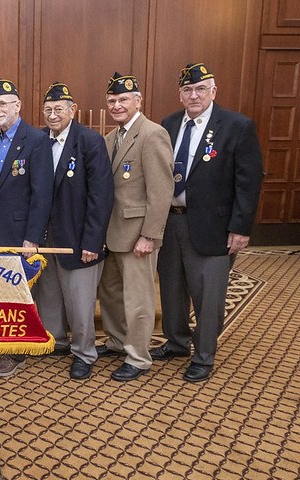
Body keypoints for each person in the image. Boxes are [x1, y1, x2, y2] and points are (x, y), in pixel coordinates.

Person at [151, 63, 263, 383]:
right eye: (187, 90)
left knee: (208, 295)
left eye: (201, 89)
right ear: (180, 95)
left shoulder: (236, 126)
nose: (194, 95)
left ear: (213, 91)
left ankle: (203, 355)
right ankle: (176, 342)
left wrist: (240, 228)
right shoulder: (169, 124)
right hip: (171, 223)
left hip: (214, 228)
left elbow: (249, 182)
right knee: (172, 289)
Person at [98, 73, 174, 381]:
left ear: (138, 101)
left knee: (139, 298)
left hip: (137, 236)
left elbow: (161, 190)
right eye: (112, 101)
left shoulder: (152, 134)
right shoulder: (110, 138)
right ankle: (117, 341)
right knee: (111, 292)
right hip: (112, 233)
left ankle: (139, 357)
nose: (117, 105)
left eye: (123, 100)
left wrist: (150, 235)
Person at [37, 82, 114, 380]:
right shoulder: (39, 140)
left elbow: (101, 196)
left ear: (73, 110)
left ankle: (84, 352)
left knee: (80, 301)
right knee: (50, 293)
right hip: (47, 235)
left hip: (80, 237)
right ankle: (57, 340)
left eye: (59, 109)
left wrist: (93, 241)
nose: (53, 115)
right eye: (48, 110)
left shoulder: (90, 141)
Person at [0, 74, 53, 377]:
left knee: (19, 294)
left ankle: (17, 351)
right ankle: (3, 340)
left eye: (2, 104)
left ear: (18, 105)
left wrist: (33, 237)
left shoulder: (36, 140)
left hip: (21, 235)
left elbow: (42, 194)